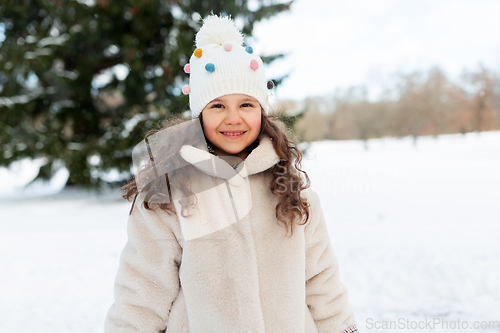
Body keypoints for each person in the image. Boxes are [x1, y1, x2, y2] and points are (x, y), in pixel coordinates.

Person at [105, 14, 358, 333]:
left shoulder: (293, 192)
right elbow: (142, 293)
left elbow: (322, 282)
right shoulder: (169, 193)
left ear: (262, 111)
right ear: (199, 114)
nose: (233, 118)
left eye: (246, 105)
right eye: (218, 106)